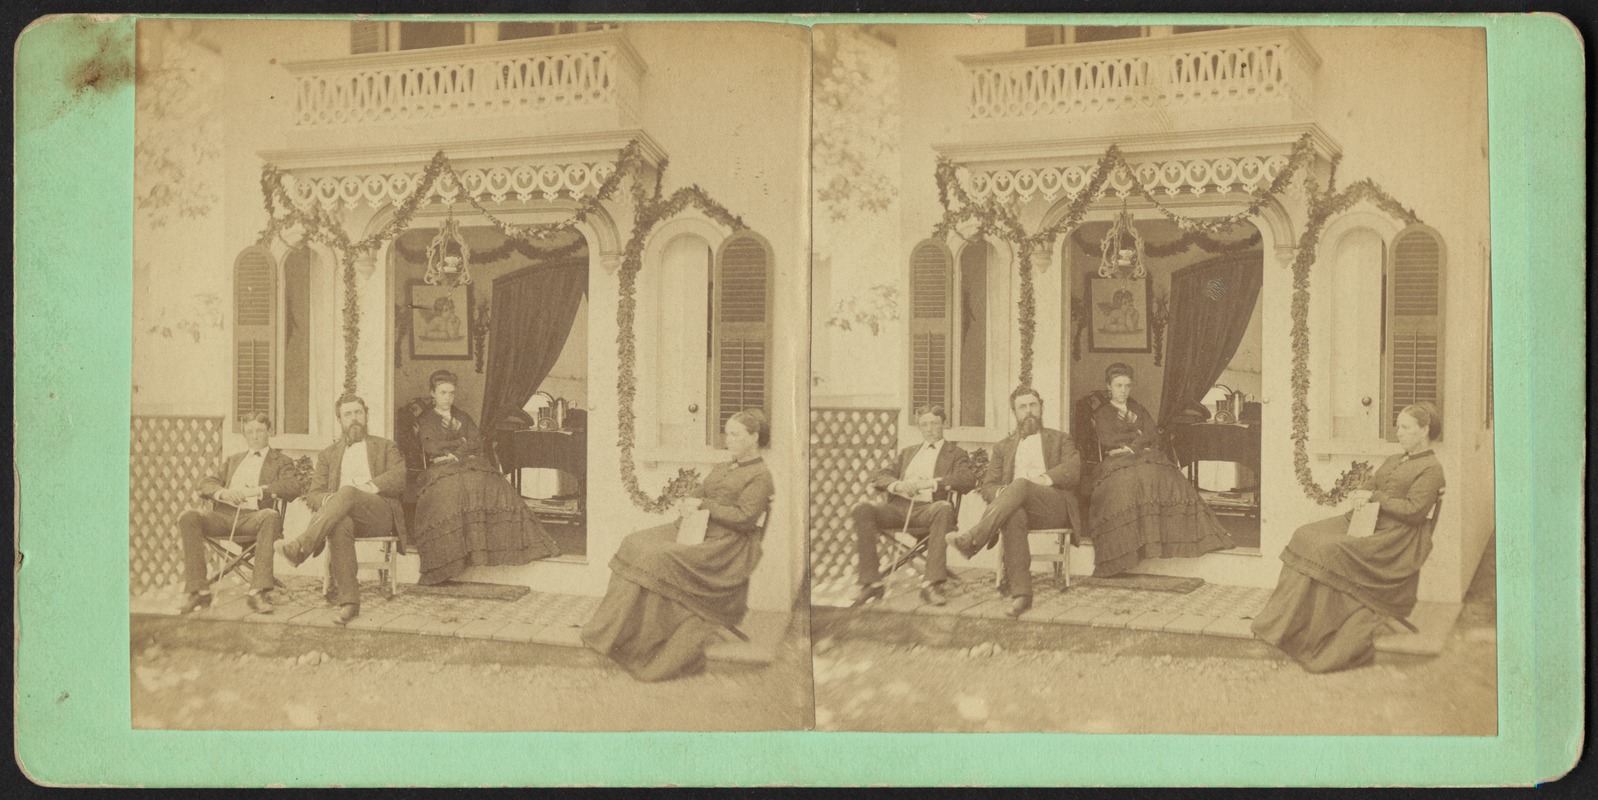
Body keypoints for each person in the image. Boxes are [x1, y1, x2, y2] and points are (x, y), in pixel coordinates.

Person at [582, 409, 775, 681]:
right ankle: (615, 629)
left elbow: (744, 519)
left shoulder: (760, 476)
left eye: (735, 434)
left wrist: (704, 505)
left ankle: (645, 639)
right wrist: (690, 500)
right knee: (634, 543)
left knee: (657, 556)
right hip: (696, 529)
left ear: (754, 438)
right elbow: (702, 492)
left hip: (725, 545)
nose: (728, 439)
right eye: (727, 433)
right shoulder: (724, 466)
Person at [1253, 402, 1446, 673]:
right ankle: (1285, 622)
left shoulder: (1431, 468)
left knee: (1327, 547)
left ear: (1424, 430)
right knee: (1305, 535)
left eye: (1405, 427)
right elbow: (1373, 484)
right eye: (1398, 426)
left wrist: (1375, 497)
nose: (1398, 432)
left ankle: (1313, 629)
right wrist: (1361, 492)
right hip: (1368, 522)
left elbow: (1414, 512)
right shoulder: (1394, 459)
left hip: (1395, 539)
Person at [410, 369, 560, 585]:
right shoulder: (425, 419)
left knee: (494, 483)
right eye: (443, 393)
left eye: (451, 393)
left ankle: (490, 549)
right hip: (438, 468)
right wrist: (460, 445)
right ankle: (454, 556)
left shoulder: (462, 416)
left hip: (466, 462)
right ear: (432, 393)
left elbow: (476, 441)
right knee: (453, 488)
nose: (448, 398)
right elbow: (431, 446)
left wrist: (455, 452)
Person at [1087, 363, 1235, 577]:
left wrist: (1131, 446)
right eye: (1118, 385)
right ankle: (1131, 546)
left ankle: (1167, 539)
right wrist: (1137, 441)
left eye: (1127, 386)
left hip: (1143, 455)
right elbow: (1108, 439)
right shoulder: (1103, 414)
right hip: (1116, 462)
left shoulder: (1138, 409)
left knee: (1169, 477)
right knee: (1131, 480)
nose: (1123, 391)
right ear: (1108, 386)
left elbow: (1153, 435)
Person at [275, 394, 408, 626]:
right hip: (344, 515)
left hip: (379, 514)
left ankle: (301, 546)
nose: (354, 419)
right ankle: (350, 603)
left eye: (358, 412)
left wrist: (366, 488)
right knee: (339, 523)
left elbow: (399, 477)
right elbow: (315, 494)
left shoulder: (386, 446)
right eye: (348, 414)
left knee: (347, 492)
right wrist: (334, 501)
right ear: (340, 420)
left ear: (366, 415)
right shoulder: (328, 455)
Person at [950, 387, 1081, 618]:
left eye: (1033, 405)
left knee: (1020, 484)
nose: (1029, 411)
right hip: (1018, 506)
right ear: (1015, 412)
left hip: (1054, 506)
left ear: (1041, 407)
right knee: (1013, 514)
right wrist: (1008, 493)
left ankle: (973, 538)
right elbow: (989, 486)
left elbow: (1072, 470)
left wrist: (1038, 480)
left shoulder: (1060, 439)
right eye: (1023, 407)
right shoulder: (1003, 447)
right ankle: (1022, 595)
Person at [850, 405, 978, 608]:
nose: (929, 429)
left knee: (944, 508)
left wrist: (932, 483)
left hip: (929, 510)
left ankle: (931, 584)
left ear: (944, 424)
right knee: (862, 508)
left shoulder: (956, 453)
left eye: (934, 424)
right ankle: (871, 581)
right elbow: (879, 476)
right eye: (924, 425)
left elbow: (967, 479)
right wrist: (898, 485)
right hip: (897, 509)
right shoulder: (908, 453)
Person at [176, 413, 303, 615]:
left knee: (270, 515)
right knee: (188, 516)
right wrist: (223, 492)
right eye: (250, 432)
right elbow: (205, 484)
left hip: (255, 517)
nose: (254, 436)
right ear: (245, 435)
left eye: (259, 431)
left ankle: (257, 592)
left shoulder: (281, 461)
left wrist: (258, 490)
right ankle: (198, 590)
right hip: (223, 516)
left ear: (269, 432)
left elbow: (293, 486)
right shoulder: (234, 460)